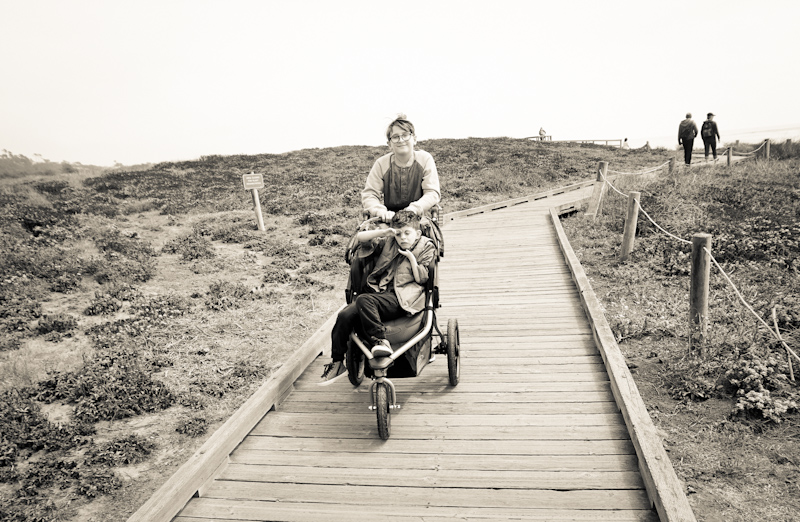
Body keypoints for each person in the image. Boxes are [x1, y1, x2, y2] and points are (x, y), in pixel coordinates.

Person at [321, 210, 437, 383]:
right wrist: (385, 232)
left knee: (363, 299)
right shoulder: (390, 242)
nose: (403, 238)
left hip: (403, 298)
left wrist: (411, 258)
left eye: (407, 233)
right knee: (344, 315)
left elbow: (423, 278)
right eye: (399, 234)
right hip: (380, 295)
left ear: (417, 233)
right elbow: (361, 238)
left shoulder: (426, 246)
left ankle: (381, 340)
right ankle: (337, 362)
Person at [362, 115, 440, 223]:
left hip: (419, 218)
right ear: (389, 144)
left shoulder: (425, 159)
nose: (401, 140)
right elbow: (369, 194)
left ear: (415, 139)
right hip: (389, 220)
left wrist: (414, 209)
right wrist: (381, 211)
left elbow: (432, 193)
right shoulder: (381, 164)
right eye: (395, 137)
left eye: (405, 135)